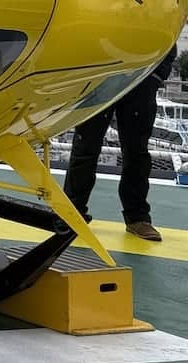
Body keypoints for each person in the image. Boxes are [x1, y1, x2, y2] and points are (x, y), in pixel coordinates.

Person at [63, 45, 178, 242]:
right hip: (99, 76)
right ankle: (71, 214)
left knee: (137, 152)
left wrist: (156, 76)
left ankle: (138, 218)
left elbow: (169, 36)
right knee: (85, 148)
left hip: (142, 79)